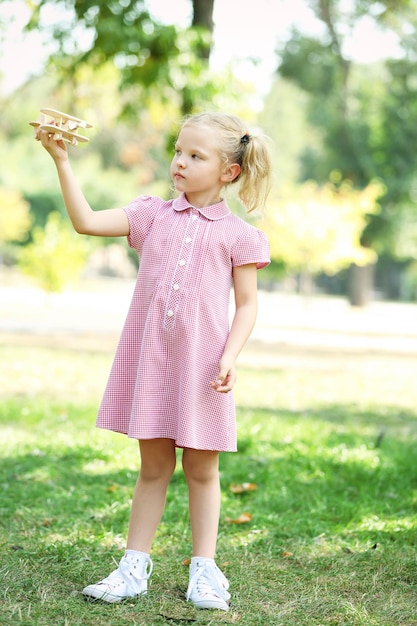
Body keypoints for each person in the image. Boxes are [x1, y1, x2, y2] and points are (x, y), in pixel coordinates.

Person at [36, 110, 272, 611]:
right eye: (178, 151)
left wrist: (230, 355)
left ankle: (204, 572)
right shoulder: (150, 214)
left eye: (195, 155)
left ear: (228, 171)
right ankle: (132, 567)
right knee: (154, 467)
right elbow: (85, 222)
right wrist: (62, 160)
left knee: (202, 470)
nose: (180, 162)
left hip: (205, 368)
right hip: (155, 363)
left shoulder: (239, 235)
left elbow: (248, 304)